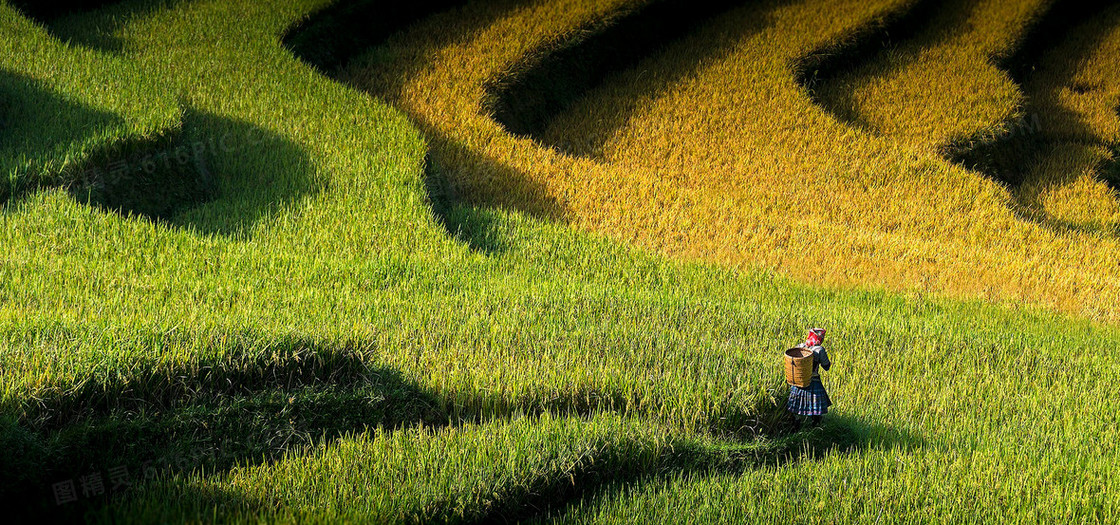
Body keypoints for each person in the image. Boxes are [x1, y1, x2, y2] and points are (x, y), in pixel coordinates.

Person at [787, 327, 832, 428]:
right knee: (816, 409)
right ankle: (815, 427)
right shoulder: (819, 349)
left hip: (799, 381)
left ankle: (795, 425)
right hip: (813, 381)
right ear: (819, 338)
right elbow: (826, 366)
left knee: (796, 409)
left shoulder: (800, 347)